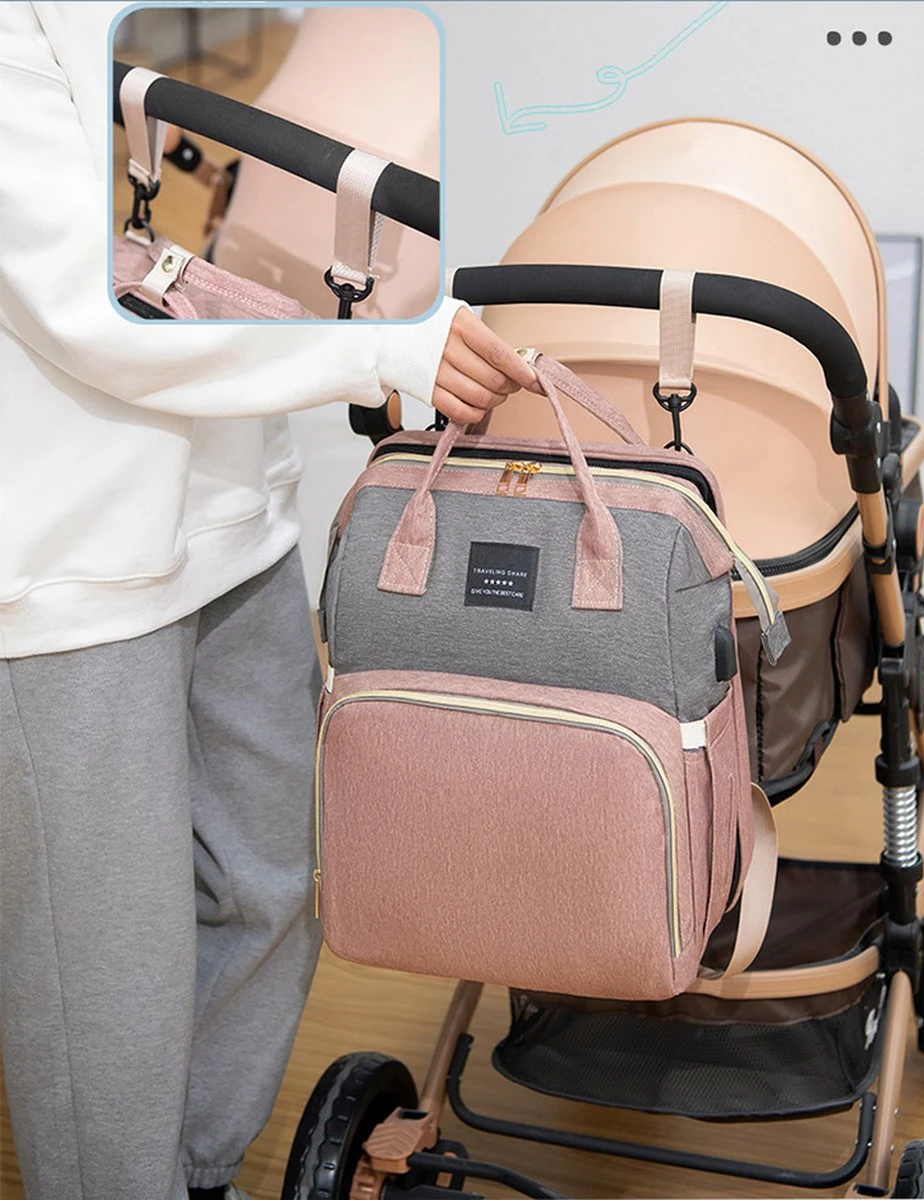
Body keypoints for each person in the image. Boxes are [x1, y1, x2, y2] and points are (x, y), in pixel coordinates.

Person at [0, 5, 537, 1199]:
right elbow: (80, 316)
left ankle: (195, 1172)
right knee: (107, 965)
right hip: (75, 565)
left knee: (272, 881)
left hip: (233, 513)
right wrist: (386, 350)